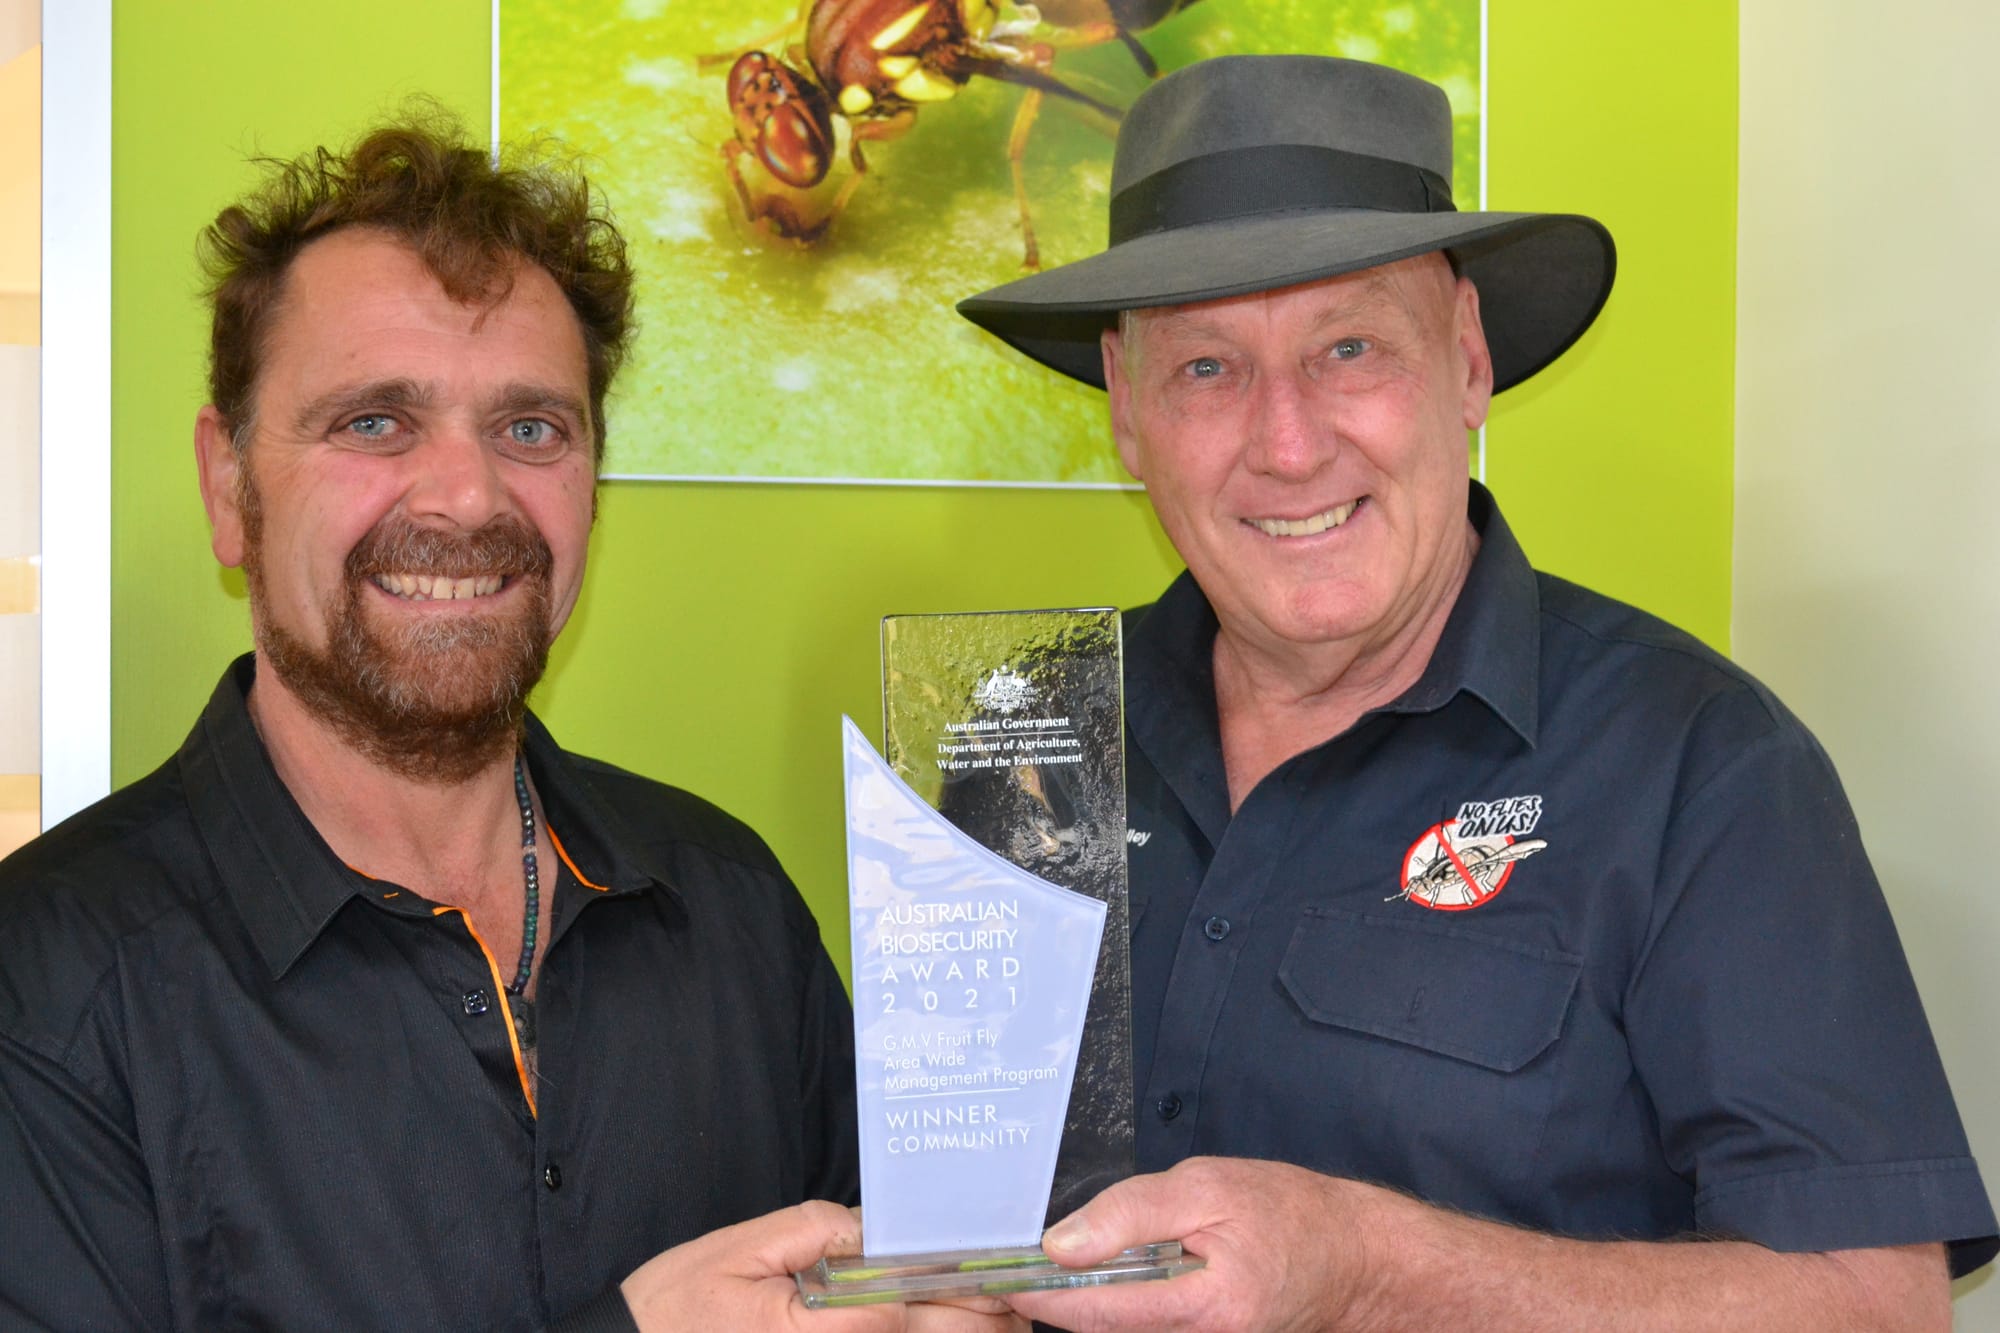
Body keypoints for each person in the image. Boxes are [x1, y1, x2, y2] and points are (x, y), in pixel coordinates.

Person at [956, 55, 1998, 1329]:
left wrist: (1371, 1269)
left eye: (1348, 348)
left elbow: (1874, 1305)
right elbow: (954, 1198)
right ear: (1127, 410)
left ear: (1463, 361)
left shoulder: (1701, 765)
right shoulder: (1027, 732)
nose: (1286, 444)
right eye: (1207, 369)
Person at [0, 115, 1013, 1333]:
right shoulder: (48, 986)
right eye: (374, 422)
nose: (467, 495)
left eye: (530, 429)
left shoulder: (733, 906)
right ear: (231, 484)